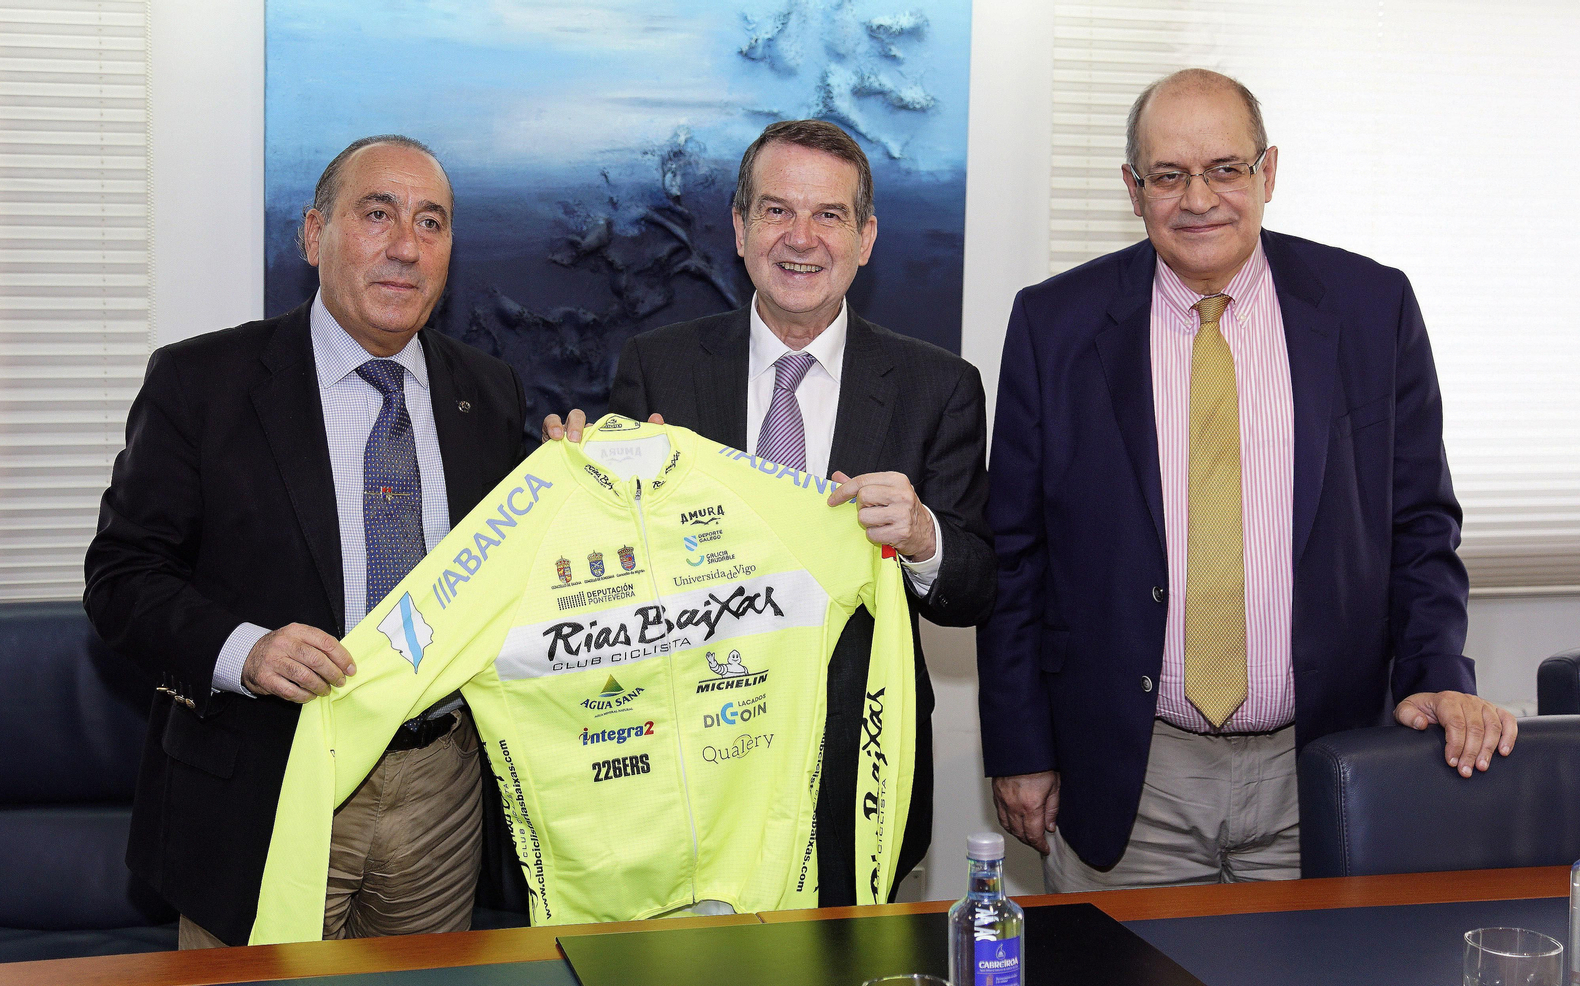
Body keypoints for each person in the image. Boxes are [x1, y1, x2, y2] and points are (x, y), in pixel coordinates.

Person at [979, 70, 1518, 891]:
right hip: (1132, 773)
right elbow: (1015, 557)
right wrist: (1021, 748)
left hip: (1324, 767)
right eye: (1169, 175)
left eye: (1226, 169)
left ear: (1268, 173)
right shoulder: (1055, 325)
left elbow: (1420, 529)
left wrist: (1440, 676)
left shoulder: (1373, 309)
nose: (1199, 199)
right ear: (1133, 189)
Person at [84, 135, 528, 946]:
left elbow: (525, 572)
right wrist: (244, 650)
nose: (405, 246)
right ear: (314, 234)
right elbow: (122, 577)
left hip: (439, 790)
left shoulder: (488, 393)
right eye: (377, 214)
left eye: (431, 223)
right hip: (267, 778)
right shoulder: (202, 384)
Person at [545, 119, 995, 905]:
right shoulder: (660, 368)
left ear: (866, 237)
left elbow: (978, 587)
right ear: (740, 227)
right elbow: (608, 581)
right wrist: (579, 491)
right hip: (685, 777)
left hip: (860, 769)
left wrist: (924, 538)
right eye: (778, 211)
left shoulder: (939, 387)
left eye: (829, 216)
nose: (802, 238)